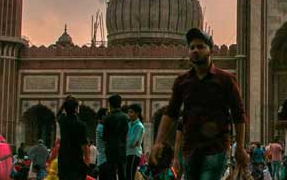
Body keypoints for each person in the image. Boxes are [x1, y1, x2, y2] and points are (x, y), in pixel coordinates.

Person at [150, 28, 249, 180]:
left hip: (216, 147)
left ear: (211, 51)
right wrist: (158, 142)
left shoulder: (225, 80)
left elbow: (239, 115)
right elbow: (171, 113)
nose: (196, 50)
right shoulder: (182, 82)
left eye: (201, 46)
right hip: (190, 147)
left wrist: (240, 147)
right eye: (192, 47)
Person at [58, 96, 88, 180]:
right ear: (75, 109)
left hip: (63, 158)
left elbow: (58, 114)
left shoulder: (62, 121)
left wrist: (66, 103)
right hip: (76, 158)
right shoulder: (81, 124)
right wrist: (87, 160)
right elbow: (84, 144)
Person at [102, 94, 129, 180]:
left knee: (111, 174)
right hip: (122, 149)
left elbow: (104, 137)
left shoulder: (107, 118)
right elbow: (126, 133)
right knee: (122, 173)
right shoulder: (125, 117)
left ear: (110, 105)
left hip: (110, 149)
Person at [125, 104, 145, 180]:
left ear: (137, 113)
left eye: (131, 112)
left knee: (130, 176)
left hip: (134, 154)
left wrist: (127, 141)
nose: (129, 114)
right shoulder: (129, 124)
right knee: (127, 176)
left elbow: (132, 143)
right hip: (128, 152)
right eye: (128, 112)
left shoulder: (139, 126)